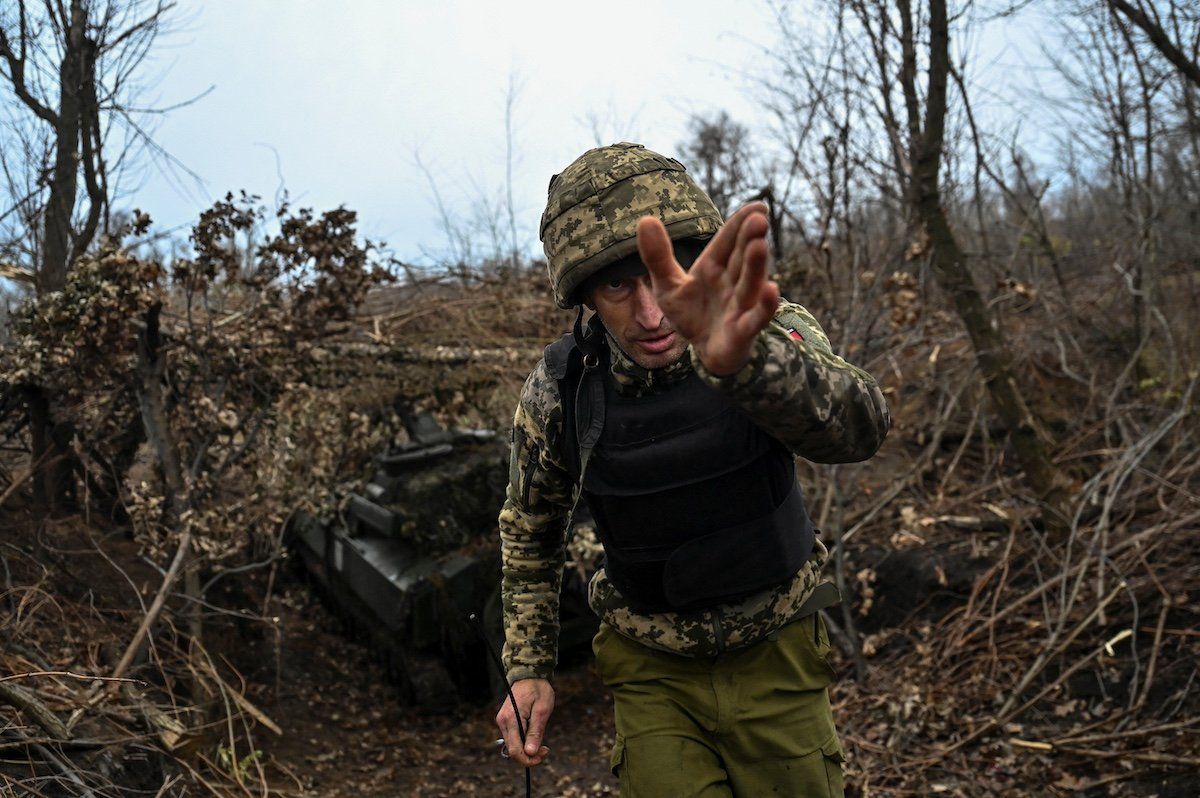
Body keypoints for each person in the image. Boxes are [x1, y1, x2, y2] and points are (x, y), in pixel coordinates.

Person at [495, 142, 889, 796]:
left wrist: (750, 367)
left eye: (668, 270)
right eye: (620, 284)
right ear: (587, 294)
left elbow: (864, 428)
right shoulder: (561, 389)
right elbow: (531, 530)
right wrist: (528, 667)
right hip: (653, 671)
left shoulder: (763, 329)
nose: (651, 315)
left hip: (777, 653)